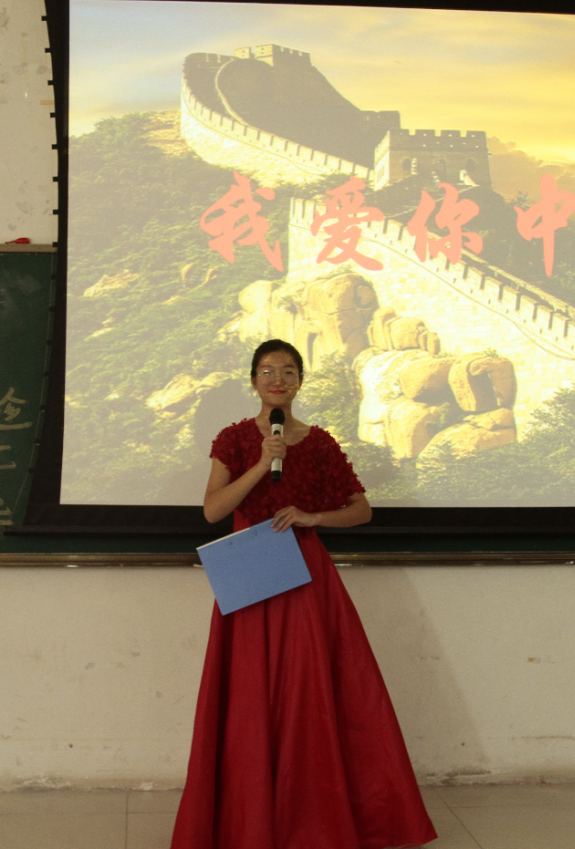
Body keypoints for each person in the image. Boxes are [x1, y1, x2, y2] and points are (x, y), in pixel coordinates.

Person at [171, 339, 437, 849]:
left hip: (307, 576)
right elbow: (212, 510)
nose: (278, 380)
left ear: (299, 382)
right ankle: (251, 816)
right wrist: (262, 463)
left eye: (288, 371)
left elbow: (361, 510)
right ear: (254, 380)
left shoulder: (319, 443)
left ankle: (313, 815)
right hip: (251, 572)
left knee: (310, 690)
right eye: (268, 371)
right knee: (249, 693)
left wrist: (314, 516)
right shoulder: (233, 439)